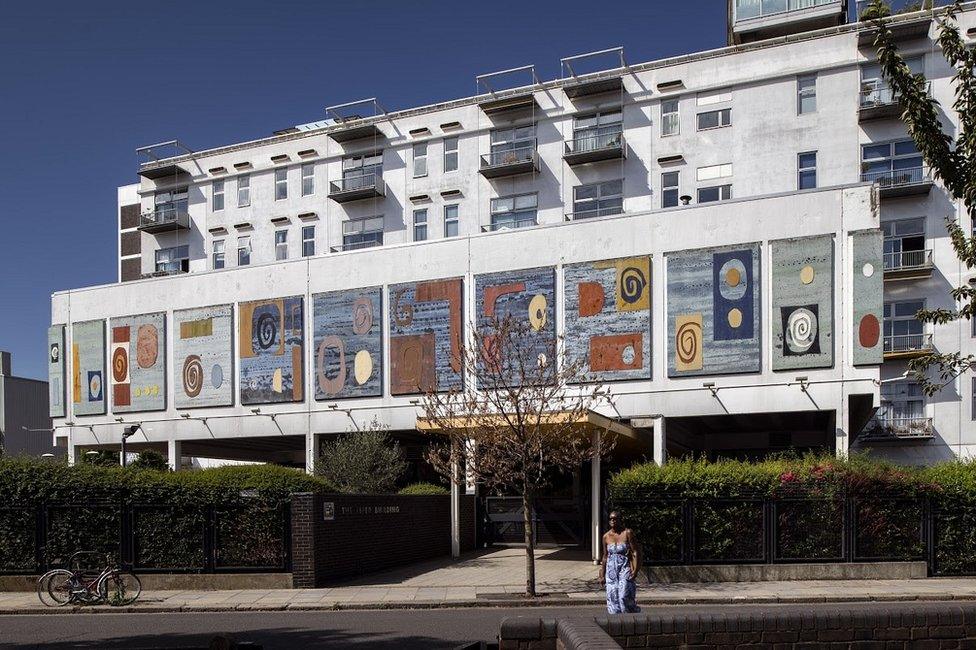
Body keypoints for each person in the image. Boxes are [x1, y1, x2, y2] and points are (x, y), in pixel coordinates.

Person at [598, 510, 641, 614]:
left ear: (620, 520)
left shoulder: (627, 533)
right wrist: (602, 574)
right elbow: (605, 556)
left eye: (615, 518)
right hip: (611, 569)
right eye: (611, 519)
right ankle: (616, 622)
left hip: (624, 566)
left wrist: (635, 570)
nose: (613, 521)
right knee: (612, 596)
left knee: (624, 594)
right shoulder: (606, 536)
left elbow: (635, 551)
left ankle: (631, 615)